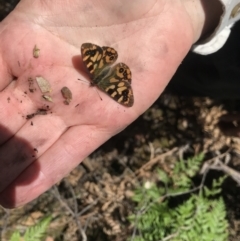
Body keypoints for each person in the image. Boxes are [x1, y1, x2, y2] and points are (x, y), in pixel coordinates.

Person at [0, 0, 239, 208]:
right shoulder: (109, 84)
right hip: (194, 47)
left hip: (212, 53)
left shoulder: (96, 75)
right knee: (183, 77)